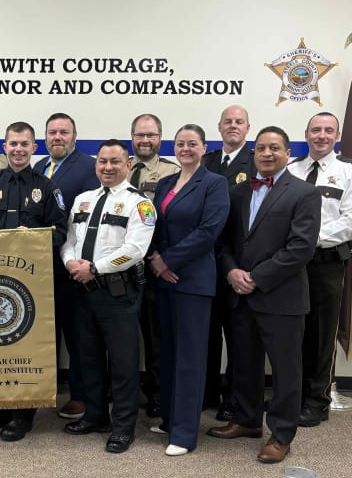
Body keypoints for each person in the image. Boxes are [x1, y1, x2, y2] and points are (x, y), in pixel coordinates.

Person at [209, 126, 321, 464]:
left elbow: (301, 248)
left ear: (288, 153)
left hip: (281, 297)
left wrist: (256, 278)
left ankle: (282, 433)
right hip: (240, 294)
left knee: (286, 370)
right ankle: (246, 420)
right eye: (261, 149)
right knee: (244, 363)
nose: (267, 154)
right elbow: (225, 242)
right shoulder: (238, 191)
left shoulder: (304, 193)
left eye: (274, 148)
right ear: (254, 154)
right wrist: (230, 271)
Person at [0, 121, 68, 441]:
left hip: (34, 282)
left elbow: (62, 230)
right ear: (5, 146)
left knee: (27, 346)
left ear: (34, 147)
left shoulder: (47, 187)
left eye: (25, 144)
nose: (19, 149)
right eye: (13, 144)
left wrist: (37, 240)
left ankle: (23, 415)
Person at [61, 140, 155, 454]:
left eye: (115, 161)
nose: (108, 167)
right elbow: (69, 240)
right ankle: (95, 415)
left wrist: (96, 268)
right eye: (102, 161)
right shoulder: (82, 200)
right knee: (87, 358)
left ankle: (123, 427)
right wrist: (70, 263)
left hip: (118, 293)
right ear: (96, 164)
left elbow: (134, 251)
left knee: (123, 362)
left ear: (127, 164)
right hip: (82, 290)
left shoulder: (139, 204)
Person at [149, 125, 230, 456]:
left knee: (190, 359)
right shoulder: (167, 182)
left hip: (193, 281)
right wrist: (155, 257)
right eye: (180, 144)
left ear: (204, 147)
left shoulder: (214, 183)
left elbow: (208, 231)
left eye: (192, 144)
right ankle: (169, 419)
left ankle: (183, 434)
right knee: (167, 354)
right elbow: (151, 223)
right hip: (163, 280)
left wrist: (167, 260)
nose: (185, 148)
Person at [288, 112, 352, 427]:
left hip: (325, 264)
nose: (321, 135)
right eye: (315, 130)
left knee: (322, 334)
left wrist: (305, 241)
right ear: (306, 134)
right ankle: (291, 396)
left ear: (336, 137)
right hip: (292, 265)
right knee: (292, 332)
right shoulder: (291, 170)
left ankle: (317, 401)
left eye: (328, 131)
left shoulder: (351, 173)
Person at [32, 113, 98, 420]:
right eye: (52, 132)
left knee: (77, 335)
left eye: (64, 132)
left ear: (74, 135)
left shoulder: (88, 167)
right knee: (43, 333)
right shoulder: (38, 167)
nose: (57, 137)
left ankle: (81, 396)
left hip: (71, 266)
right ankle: (43, 389)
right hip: (38, 268)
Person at [201, 105, 256, 420]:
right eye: (227, 122)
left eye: (239, 122)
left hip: (238, 262)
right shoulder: (206, 162)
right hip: (206, 264)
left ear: (247, 128)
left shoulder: (255, 163)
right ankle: (207, 393)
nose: (233, 126)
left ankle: (233, 399)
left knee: (238, 338)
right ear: (219, 127)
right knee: (206, 335)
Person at [128, 113, 179, 418]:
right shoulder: (118, 166)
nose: (145, 141)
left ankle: (158, 394)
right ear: (131, 137)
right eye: (139, 135)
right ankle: (123, 392)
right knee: (120, 333)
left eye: (151, 135)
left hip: (152, 263)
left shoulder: (171, 172)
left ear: (160, 138)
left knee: (156, 335)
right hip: (119, 265)